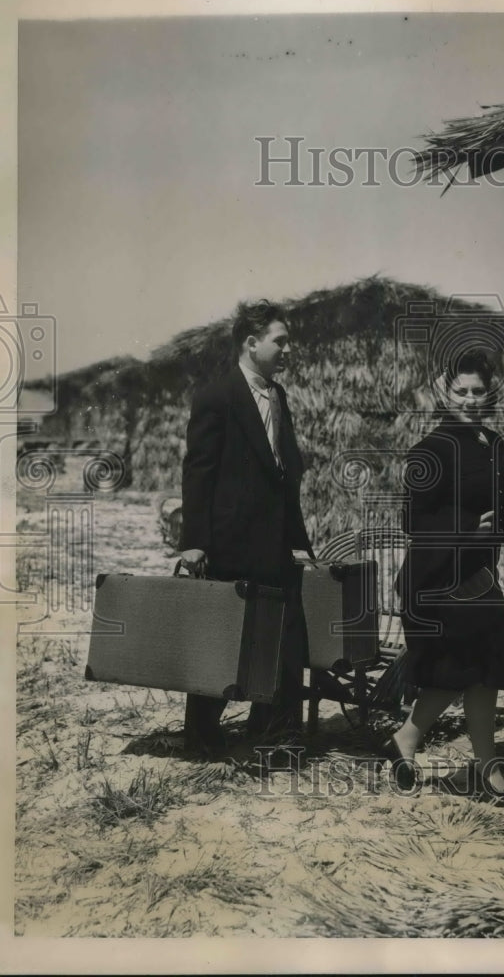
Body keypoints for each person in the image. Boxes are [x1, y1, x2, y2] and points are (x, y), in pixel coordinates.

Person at [392, 349, 504, 804]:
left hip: (477, 578)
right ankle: (419, 744)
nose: (471, 399)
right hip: (435, 582)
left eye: (479, 391)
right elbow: (412, 523)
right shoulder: (430, 451)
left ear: (490, 393)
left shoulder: (494, 444)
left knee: (487, 670)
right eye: (462, 391)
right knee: (463, 670)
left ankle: (482, 766)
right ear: (445, 392)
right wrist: (463, 526)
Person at [178, 300, 314, 753]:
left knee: (285, 634)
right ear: (252, 343)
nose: (288, 349)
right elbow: (198, 471)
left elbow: (283, 470)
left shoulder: (279, 395)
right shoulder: (217, 397)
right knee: (225, 636)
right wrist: (195, 542)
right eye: (281, 341)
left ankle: (273, 729)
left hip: (274, 540)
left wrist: (297, 536)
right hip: (231, 541)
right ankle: (200, 735)